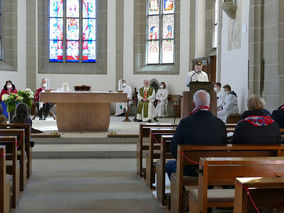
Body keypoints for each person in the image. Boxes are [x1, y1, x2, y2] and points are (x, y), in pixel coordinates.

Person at [166, 90, 227, 178]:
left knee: (169, 165)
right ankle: (208, 189)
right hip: (211, 168)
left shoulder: (185, 122)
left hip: (188, 169)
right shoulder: (220, 123)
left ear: (193, 104)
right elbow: (224, 146)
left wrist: (182, 161)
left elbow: (173, 148)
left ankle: (182, 191)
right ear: (209, 105)